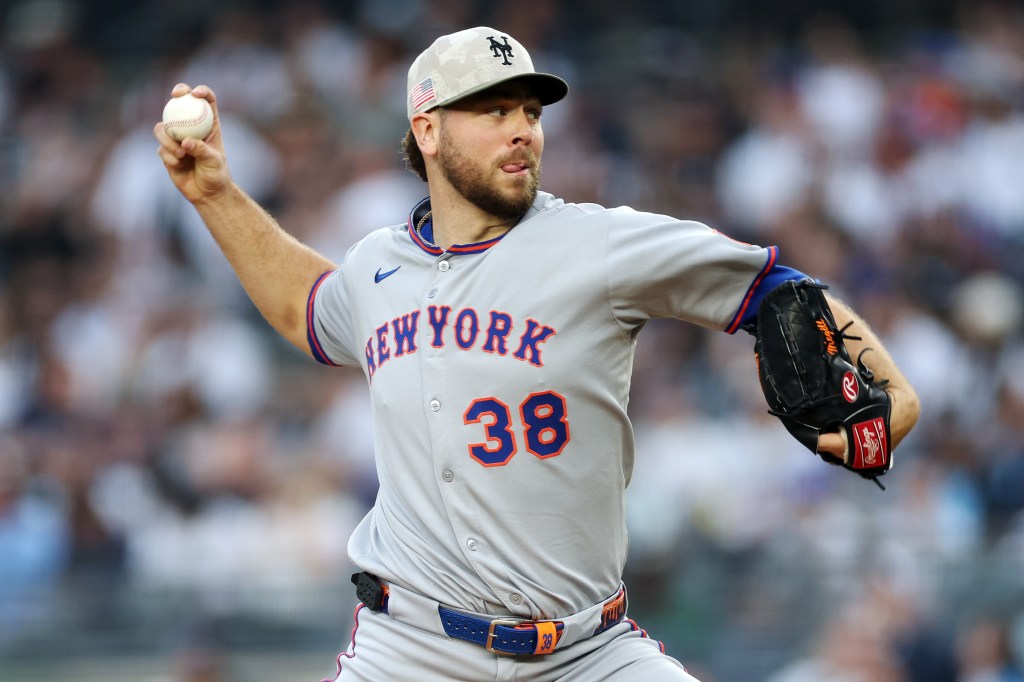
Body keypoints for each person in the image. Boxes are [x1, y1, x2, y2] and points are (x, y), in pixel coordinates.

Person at [155, 25, 920, 682]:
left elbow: (777, 289)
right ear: (428, 130)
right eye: (493, 110)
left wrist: (896, 400)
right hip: (411, 648)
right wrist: (216, 195)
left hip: (587, 652)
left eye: (529, 110)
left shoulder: (600, 243)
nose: (523, 127)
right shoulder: (377, 266)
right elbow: (307, 307)